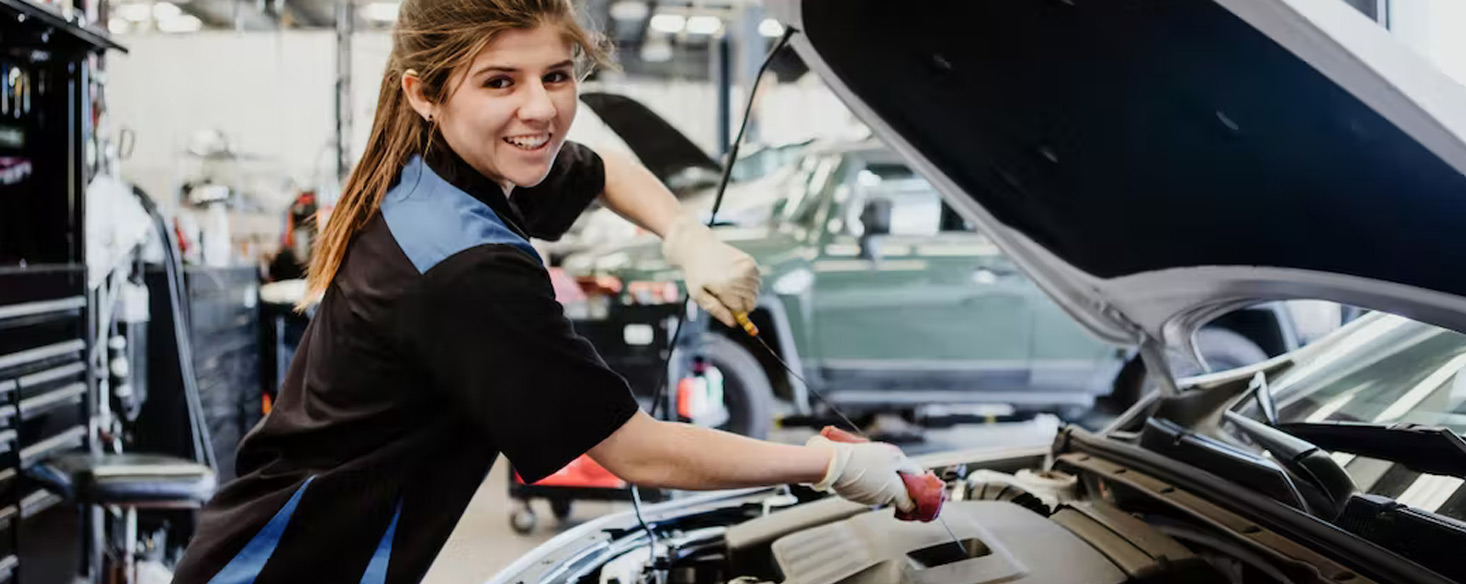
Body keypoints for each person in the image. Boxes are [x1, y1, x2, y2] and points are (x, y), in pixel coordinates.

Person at [172, 1, 926, 582]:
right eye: (500, 80)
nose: (540, 109)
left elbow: (600, 169)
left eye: (557, 75)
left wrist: (685, 236)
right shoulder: (465, 269)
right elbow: (639, 451)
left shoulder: (450, 174)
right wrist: (827, 466)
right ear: (425, 94)